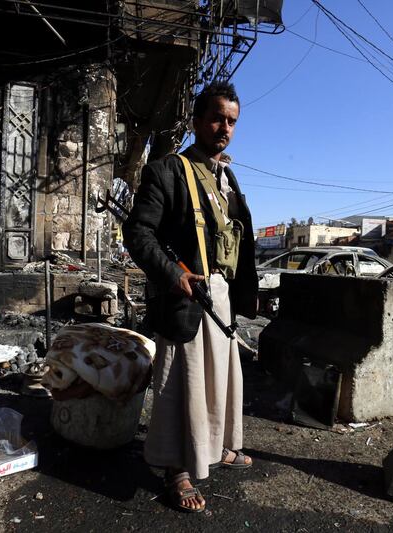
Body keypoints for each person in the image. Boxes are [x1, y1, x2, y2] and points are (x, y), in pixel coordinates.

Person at [123, 81, 258, 513]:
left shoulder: (228, 178)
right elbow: (139, 234)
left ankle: (215, 446)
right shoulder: (166, 170)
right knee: (182, 384)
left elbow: (241, 242)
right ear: (198, 121)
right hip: (184, 295)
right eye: (217, 118)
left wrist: (246, 294)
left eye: (232, 121)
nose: (224, 128)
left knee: (219, 380)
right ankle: (176, 469)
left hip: (220, 295)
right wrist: (173, 275)